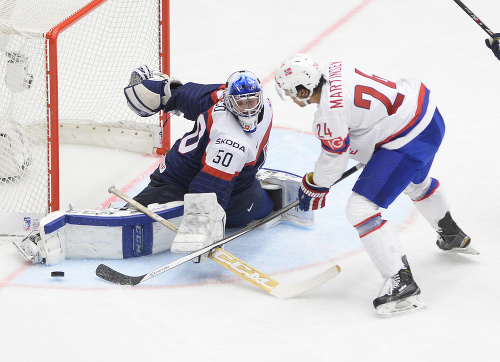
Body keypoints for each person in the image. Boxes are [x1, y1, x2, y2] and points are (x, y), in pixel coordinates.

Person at [16, 66, 313, 265]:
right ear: (230, 102)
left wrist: (167, 95)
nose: (248, 108)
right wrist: (202, 229)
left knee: (253, 209)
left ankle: (254, 203)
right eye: (242, 104)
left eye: (252, 102)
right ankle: (50, 239)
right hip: (178, 181)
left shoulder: (228, 97)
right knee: (132, 219)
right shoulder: (228, 137)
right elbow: (207, 190)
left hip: (238, 185)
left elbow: (190, 95)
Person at [274, 53, 475, 317]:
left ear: (303, 88)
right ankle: (451, 234)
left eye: (290, 91)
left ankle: (401, 283)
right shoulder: (336, 68)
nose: (290, 96)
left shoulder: (328, 115)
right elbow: (364, 118)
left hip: (408, 139)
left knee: (360, 209)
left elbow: (335, 158)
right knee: (415, 182)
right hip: (427, 116)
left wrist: (316, 184)